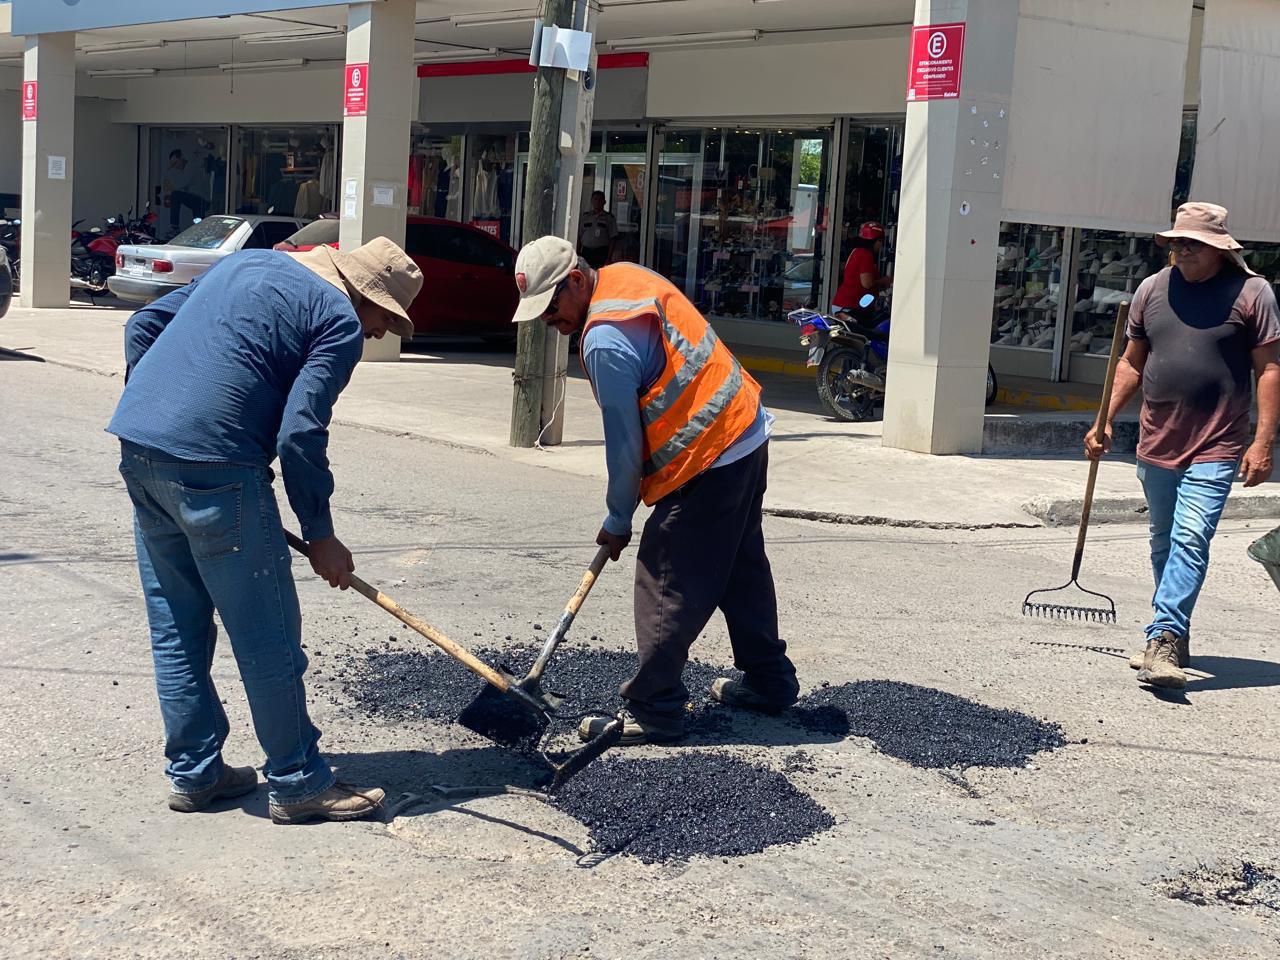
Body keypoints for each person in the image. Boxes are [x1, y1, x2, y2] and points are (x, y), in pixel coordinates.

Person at [107, 236, 424, 822]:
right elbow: (300, 434)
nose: (380, 332)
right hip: (219, 470)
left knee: (178, 627)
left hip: (141, 451)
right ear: (361, 295)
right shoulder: (338, 322)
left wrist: (158, 407)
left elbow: (144, 326)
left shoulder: (251, 263)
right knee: (267, 637)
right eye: (383, 317)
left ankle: (196, 775)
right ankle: (299, 781)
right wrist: (321, 533)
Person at [510, 235, 800, 745]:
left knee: (666, 571)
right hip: (746, 431)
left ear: (576, 281)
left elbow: (623, 448)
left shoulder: (603, 340)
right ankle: (770, 681)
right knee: (738, 564)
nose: (546, 322)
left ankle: (656, 706)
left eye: (549, 307)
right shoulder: (628, 278)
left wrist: (618, 519)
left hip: (707, 455)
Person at [1084, 202, 1279, 689]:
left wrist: (1262, 442)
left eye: (1191, 243)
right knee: (1164, 541)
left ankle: (1164, 637)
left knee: (1192, 539)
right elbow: (1131, 362)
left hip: (1217, 442)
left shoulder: (1252, 293)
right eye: (1175, 242)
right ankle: (1171, 630)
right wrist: (1104, 419)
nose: (1180, 250)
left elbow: (1270, 370)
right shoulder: (1152, 288)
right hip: (1156, 439)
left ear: (1218, 249)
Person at [832, 221, 891, 322]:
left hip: (847, 305)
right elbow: (867, 283)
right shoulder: (865, 255)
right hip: (850, 307)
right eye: (880, 241)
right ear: (876, 241)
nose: (880, 245)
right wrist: (884, 281)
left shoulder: (857, 252)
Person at [166, 149, 208, 236]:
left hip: (201, 199)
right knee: (199, 225)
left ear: (182, 158)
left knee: (175, 195)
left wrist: (170, 170)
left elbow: (179, 185)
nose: (175, 166)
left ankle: (174, 227)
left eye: (175, 163)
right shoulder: (184, 170)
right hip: (196, 200)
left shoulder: (191, 167)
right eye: (173, 164)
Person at [578, 190, 618, 270]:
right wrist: (577, 253)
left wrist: (609, 257)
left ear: (604, 202)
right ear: (591, 201)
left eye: (600, 199)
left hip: (601, 253)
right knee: (585, 274)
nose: (597, 202)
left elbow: (613, 239)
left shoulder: (609, 218)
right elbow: (579, 236)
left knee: (600, 275)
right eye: (595, 199)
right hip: (586, 252)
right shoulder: (585, 217)